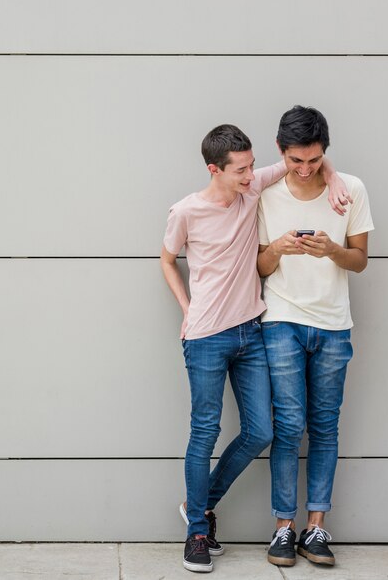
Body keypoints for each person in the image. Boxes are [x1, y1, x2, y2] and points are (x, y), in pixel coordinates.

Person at [160, 124, 348, 573]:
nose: (251, 176)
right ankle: (198, 534)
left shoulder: (251, 192)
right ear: (215, 169)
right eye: (241, 171)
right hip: (205, 336)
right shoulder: (185, 211)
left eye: (251, 167)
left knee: (261, 431)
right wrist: (186, 309)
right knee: (204, 430)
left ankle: (199, 504)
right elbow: (167, 260)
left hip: (252, 333)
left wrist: (336, 177)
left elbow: (298, 162)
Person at [258, 106, 374, 568]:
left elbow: (361, 260)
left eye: (314, 160)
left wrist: (331, 250)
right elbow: (260, 269)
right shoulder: (265, 193)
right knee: (288, 426)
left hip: (333, 324)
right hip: (282, 320)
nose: (305, 169)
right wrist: (278, 250)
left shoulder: (351, 190)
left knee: (325, 426)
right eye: (295, 161)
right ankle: (283, 529)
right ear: (281, 152)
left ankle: (316, 527)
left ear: (324, 152)